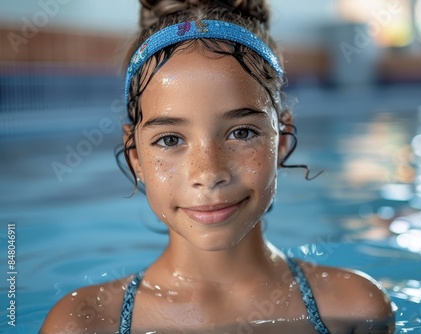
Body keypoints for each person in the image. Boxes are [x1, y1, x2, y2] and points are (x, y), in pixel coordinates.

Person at [41, 0, 395, 333]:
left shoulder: (354, 308)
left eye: (241, 132)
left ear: (282, 139)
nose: (208, 173)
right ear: (136, 156)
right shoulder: (84, 322)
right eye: (170, 140)